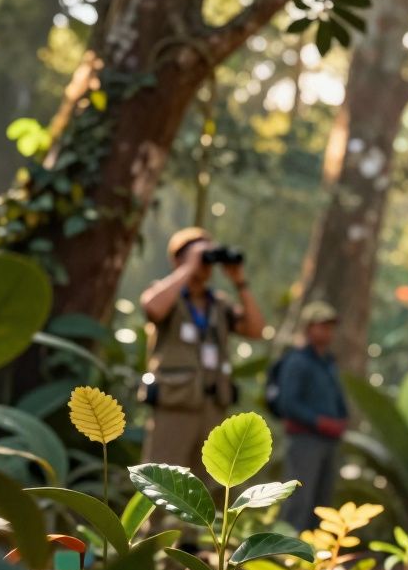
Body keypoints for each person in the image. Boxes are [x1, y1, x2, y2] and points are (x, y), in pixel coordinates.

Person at [139, 227, 264, 476]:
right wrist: (187, 269)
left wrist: (239, 281)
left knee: (214, 482)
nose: (206, 264)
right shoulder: (169, 296)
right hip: (176, 405)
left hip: (213, 406)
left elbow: (256, 329)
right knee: (163, 479)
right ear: (178, 259)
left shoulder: (219, 304)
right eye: (200, 256)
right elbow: (152, 307)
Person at [276, 301, 349, 530]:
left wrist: (342, 418)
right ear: (308, 328)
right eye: (322, 326)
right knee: (299, 499)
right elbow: (288, 402)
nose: (328, 331)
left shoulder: (328, 363)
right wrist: (319, 422)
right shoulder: (297, 361)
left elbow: (337, 396)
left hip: (328, 441)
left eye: (330, 326)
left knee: (322, 502)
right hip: (305, 441)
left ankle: (314, 548)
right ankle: (285, 546)